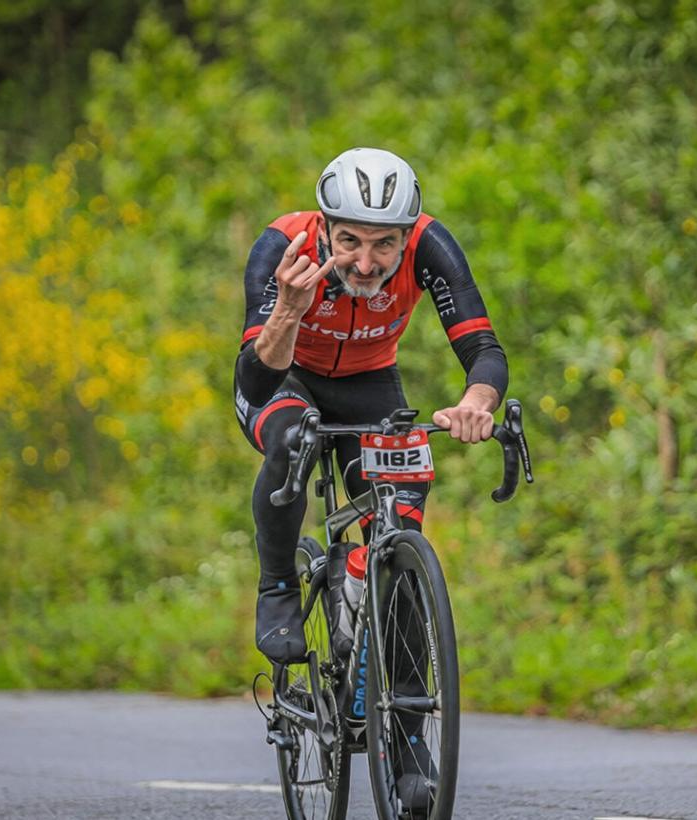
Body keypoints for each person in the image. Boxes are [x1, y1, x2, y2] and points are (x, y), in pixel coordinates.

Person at [234, 146, 507, 807]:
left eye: (384, 244)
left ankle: (409, 743)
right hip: (285, 378)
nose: (365, 262)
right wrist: (288, 310)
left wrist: (477, 403)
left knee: (402, 544)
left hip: (368, 381)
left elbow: (483, 349)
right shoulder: (283, 248)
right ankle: (278, 585)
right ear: (324, 227)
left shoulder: (431, 246)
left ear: (407, 236)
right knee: (292, 440)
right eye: (350, 240)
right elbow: (255, 380)